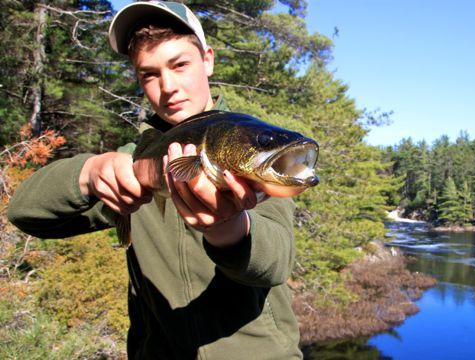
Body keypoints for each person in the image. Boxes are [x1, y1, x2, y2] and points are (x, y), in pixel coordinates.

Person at [8, 2, 302, 359]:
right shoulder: (132, 165)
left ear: (207, 59)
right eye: (149, 74)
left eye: (180, 65)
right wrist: (87, 174)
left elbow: (276, 262)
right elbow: (24, 212)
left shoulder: (247, 146)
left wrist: (230, 231)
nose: (169, 87)